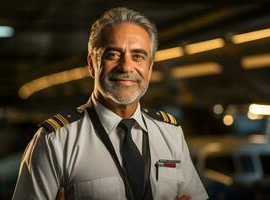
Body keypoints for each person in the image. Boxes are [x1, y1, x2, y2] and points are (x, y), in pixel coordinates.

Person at [12, 7, 208, 200]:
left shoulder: (170, 132)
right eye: (113, 54)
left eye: (138, 56)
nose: (126, 66)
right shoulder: (55, 141)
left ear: (150, 67)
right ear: (91, 64)